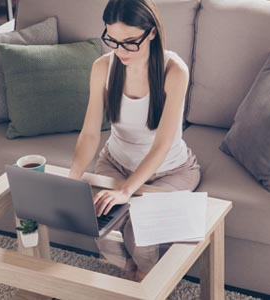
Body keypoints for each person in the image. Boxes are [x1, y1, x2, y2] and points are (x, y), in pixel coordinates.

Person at [67, 0, 200, 281]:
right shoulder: (102, 67)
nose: (120, 51)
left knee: (141, 235)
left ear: (151, 32)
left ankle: (146, 276)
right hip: (115, 163)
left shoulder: (174, 70)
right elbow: (90, 132)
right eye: (112, 40)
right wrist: (72, 177)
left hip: (171, 170)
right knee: (100, 225)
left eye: (129, 42)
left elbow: (162, 145)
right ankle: (130, 271)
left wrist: (126, 191)